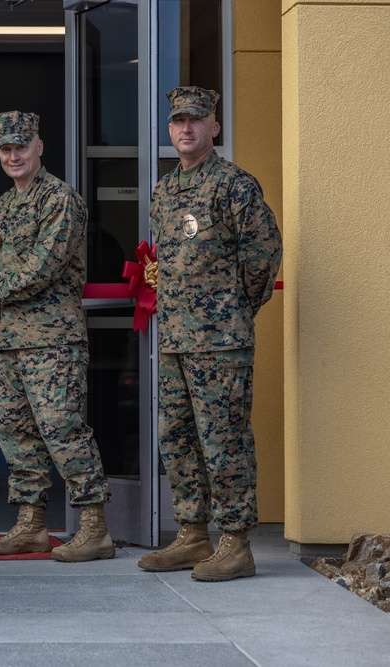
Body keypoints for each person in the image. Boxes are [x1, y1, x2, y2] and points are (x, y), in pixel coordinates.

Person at [138, 87, 282, 582]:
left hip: (221, 341)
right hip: (176, 338)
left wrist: (233, 308)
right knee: (177, 439)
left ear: (214, 127)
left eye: (195, 120)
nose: (186, 128)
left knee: (224, 441)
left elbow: (263, 255)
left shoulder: (234, 185)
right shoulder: (164, 190)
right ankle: (192, 535)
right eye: (178, 120)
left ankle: (236, 543)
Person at [0, 110, 114, 562]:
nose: (13, 155)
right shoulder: (6, 204)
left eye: (21, 146)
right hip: (10, 340)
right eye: (6, 149)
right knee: (15, 432)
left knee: (63, 430)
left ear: (39, 147)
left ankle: (95, 528)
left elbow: (45, 265)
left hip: (52, 341)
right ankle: (31, 526)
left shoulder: (60, 199)